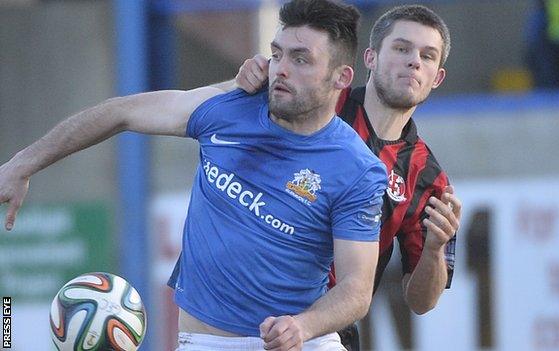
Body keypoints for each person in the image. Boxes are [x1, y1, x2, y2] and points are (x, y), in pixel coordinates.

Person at [0, 1, 399, 350]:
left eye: (301, 59)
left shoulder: (357, 169)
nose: (281, 69)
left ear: (342, 77)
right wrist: (23, 163)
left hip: (299, 342)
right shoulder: (227, 107)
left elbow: (355, 289)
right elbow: (120, 112)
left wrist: (303, 325)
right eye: (277, 54)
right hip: (206, 341)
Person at [170, 4, 463, 350]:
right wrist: (241, 80)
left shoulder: (428, 178)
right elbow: (224, 109)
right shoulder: (313, 101)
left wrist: (434, 249)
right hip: (247, 319)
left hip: (326, 329)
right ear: (369, 58)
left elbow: (422, 301)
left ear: (437, 77)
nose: (414, 62)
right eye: (401, 48)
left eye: (427, 56)